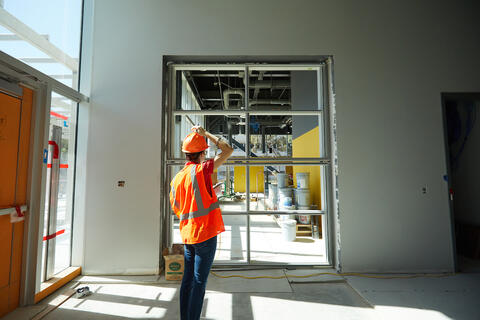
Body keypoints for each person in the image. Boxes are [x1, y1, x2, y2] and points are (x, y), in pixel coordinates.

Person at [170, 125, 233, 320]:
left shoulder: (177, 178)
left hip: (188, 235)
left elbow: (178, 207)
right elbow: (228, 150)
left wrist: (208, 191)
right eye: (205, 152)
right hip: (205, 234)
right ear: (202, 153)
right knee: (199, 282)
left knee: (187, 281)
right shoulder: (202, 170)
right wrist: (205, 133)